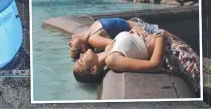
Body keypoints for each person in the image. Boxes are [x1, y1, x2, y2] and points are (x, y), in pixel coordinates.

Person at [72, 30, 201, 96]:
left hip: (175, 48)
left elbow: (96, 35)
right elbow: (155, 65)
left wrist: (136, 28)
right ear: (93, 70)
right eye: (80, 62)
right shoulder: (112, 60)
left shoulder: (108, 48)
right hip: (176, 56)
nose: (80, 57)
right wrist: (160, 37)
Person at [69, 18, 150, 60]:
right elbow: (118, 44)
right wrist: (134, 29)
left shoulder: (88, 31)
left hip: (140, 25)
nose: (69, 43)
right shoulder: (93, 39)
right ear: (83, 47)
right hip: (144, 30)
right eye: (72, 48)